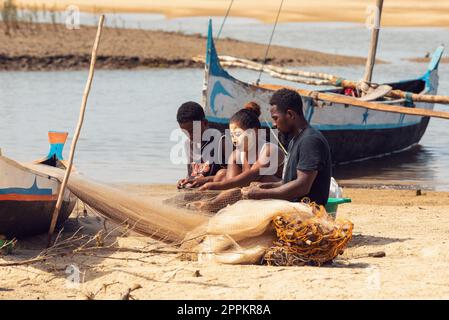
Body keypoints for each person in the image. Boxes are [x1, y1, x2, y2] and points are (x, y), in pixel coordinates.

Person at [243, 89, 332, 206]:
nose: (274, 124)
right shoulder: (295, 140)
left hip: (306, 212)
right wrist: (264, 187)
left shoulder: (310, 140)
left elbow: (302, 186)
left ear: (290, 114)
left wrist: (261, 194)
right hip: (291, 207)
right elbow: (289, 182)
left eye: (275, 118)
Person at [199, 102, 284, 191]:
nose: (234, 139)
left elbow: (252, 176)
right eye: (232, 135)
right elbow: (232, 183)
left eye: (238, 134)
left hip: (281, 188)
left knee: (262, 179)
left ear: (254, 132)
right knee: (222, 174)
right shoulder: (236, 155)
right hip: (250, 185)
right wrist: (205, 180)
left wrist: (218, 186)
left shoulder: (269, 150)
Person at [176, 101, 226, 189]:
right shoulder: (189, 144)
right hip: (199, 191)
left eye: (192, 131)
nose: (189, 136)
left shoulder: (222, 141)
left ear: (205, 123)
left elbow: (234, 175)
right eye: (185, 132)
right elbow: (192, 175)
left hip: (216, 189)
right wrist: (185, 181)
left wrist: (206, 180)